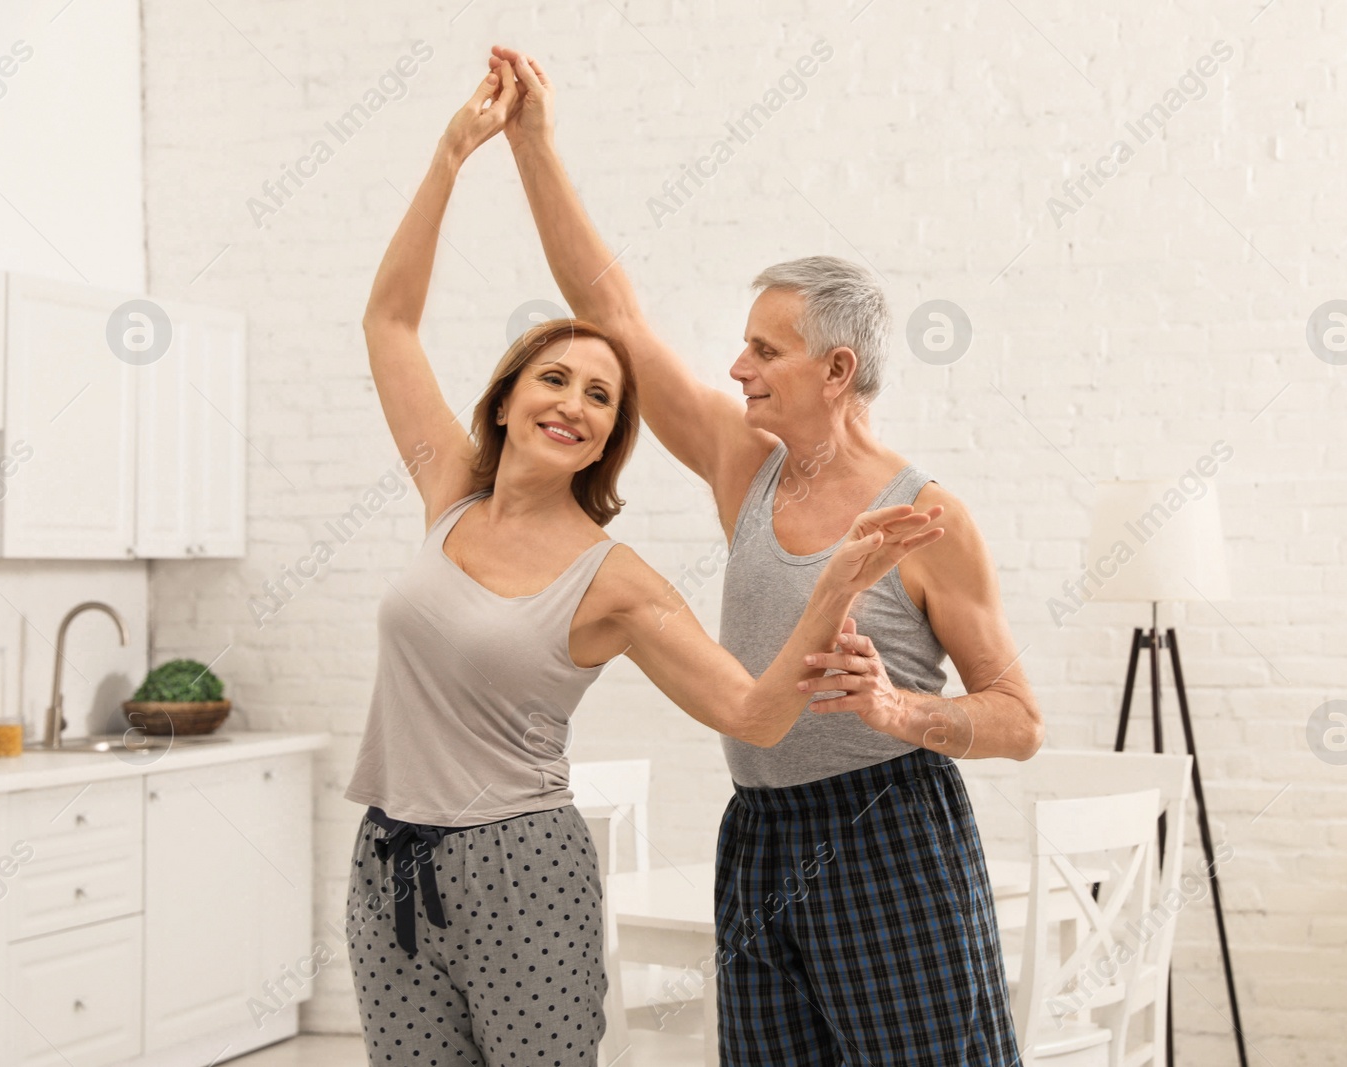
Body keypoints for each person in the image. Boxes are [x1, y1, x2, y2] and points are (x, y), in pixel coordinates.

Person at [340, 59, 947, 1067]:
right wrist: (453, 155)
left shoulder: (612, 578)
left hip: (520, 871)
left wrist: (834, 583)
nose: (574, 403)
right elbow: (388, 322)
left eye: (601, 397)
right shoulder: (449, 491)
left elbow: (753, 712)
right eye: (555, 378)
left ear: (612, 434)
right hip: (386, 859)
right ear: (504, 397)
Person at [493, 44, 1045, 1066]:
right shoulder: (740, 464)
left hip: (893, 834)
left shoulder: (927, 518)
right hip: (759, 831)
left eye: (764, 349)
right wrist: (533, 145)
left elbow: (1017, 719)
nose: (735, 367)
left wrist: (896, 709)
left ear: (836, 369)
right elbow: (613, 316)